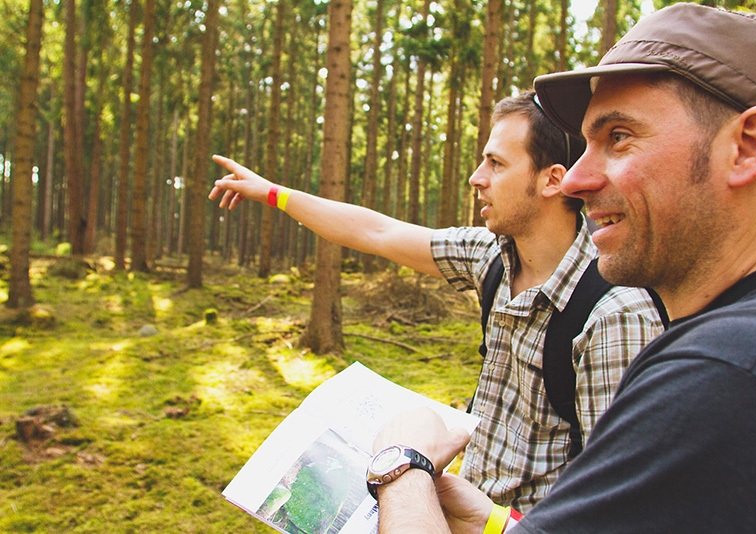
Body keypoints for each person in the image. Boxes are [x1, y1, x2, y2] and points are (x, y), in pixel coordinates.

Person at [368, 3, 756, 532]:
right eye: (587, 143)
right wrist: (496, 522)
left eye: (619, 136)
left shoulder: (724, 375)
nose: (574, 180)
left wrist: (402, 463)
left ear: (747, 146)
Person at [209, 91, 665, 511]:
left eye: (496, 164)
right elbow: (378, 232)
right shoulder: (493, 257)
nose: (476, 177)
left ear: (552, 181)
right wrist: (274, 193)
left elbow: (621, 499)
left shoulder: (615, 315)